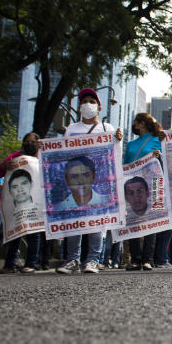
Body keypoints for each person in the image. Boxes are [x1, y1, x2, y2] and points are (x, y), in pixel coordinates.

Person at [56, 88, 121, 275]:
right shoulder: (71, 129)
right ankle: (72, 260)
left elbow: (113, 155)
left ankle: (92, 260)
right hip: (75, 183)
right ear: (79, 107)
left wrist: (117, 140)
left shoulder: (107, 129)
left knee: (95, 223)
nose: (88, 105)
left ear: (99, 107)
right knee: (74, 222)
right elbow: (63, 154)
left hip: (97, 182)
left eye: (92, 101)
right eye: (84, 101)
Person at [124, 112, 172, 269]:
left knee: (152, 221)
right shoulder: (130, 145)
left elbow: (167, 161)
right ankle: (135, 258)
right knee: (134, 220)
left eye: (136, 121)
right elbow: (125, 166)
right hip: (133, 186)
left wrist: (158, 157)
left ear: (142, 123)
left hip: (154, 185)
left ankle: (147, 259)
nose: (135, 124)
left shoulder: (158, 141)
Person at [0, 133, 46, 273]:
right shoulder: (15, 156)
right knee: (14, 233)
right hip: (15, 204)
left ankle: (31, 263)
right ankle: (9, 265)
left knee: (34, 233)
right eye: (26, 141)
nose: (29, 144)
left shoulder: (45, 156)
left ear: (38, 143)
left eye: (32, 142)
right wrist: (5, 166)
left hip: (36, 203)